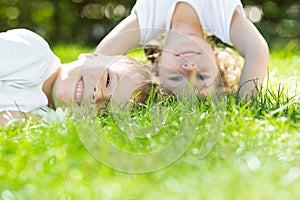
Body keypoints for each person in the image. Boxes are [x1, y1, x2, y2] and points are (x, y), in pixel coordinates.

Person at [94, 0, 269, 98]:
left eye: (176, 77)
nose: (190, 68)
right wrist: (246, 102)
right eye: (202, 76)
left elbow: (99, 59)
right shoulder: (219, 15)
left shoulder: (151, 18)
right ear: (216, 59)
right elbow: (257, 50)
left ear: (157, 61)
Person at [0, 29, 158, 126]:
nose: (98, 95)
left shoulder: (46, 116)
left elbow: (7, 121)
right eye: (108, 80)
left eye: (104, 110)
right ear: (93, 56)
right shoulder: (35, 56)